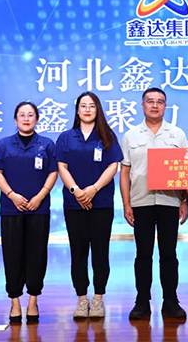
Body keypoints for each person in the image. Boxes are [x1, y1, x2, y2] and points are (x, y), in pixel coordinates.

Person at [120, 87, 188, 320]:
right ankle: (142, 301)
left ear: (165, 106)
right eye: (150, 101)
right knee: (143, 254)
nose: (155, 105)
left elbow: (186, 170)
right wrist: (126, 203)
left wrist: (185, 200)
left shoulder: (177, 134)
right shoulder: (131, 135)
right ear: (142, 105)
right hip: (141, 201)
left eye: (160, 102)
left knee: (169, 253)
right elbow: (125, 172)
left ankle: (170, 300)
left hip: (170, 201)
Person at [0, 101, 58, 323]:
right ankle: (15, 301)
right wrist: (12, 195)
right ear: (15, 119)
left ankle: (33, 300)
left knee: (37, 254)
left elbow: (53, 172)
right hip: (11, 209)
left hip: (39, 208)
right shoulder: (3, 144)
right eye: (22, 115)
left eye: (30, 115)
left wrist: (40, 196)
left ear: (37, 119)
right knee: (12, 254)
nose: (26, 119)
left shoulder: (47, 144)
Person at [56, 92, 123, 318]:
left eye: (91, 106)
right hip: (74, 204)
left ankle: (98, 299)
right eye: (83, 106)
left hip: (101, 203)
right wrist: (76, 191)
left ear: (98, 110)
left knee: (100, 252)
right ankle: (82, 298)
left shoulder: (107, 136)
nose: (87, 110)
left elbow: (113, 166)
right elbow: (61, 166)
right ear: (77, 110)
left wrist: (93, 189)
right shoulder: (66, 137)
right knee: (78, 252)